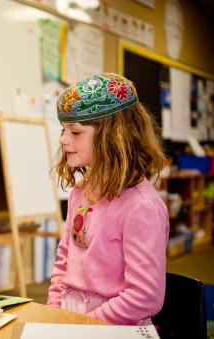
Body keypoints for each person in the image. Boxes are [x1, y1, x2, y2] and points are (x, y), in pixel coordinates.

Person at [46, 73, 170, 325]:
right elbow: (64, 264)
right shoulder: (80, 193)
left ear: (112, 138)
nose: (62, 139)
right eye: (63, 130)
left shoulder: (140, 206)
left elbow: (144, 297)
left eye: (75, 132)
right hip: (71, 319)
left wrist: (85, 326)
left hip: (114, 326)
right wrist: (52, 316)